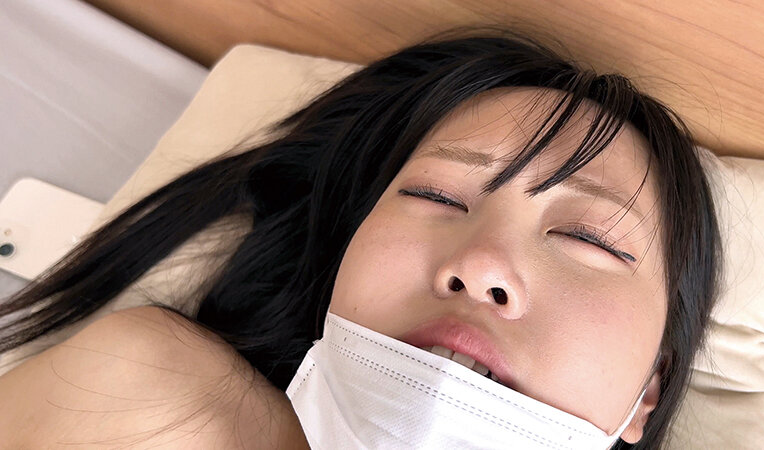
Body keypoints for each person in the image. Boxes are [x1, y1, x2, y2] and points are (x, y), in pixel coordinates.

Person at [0, 28, 720, 448]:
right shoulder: (142, 391)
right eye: (436, 197)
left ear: (650, 389)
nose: (481, 264)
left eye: (590, 238)